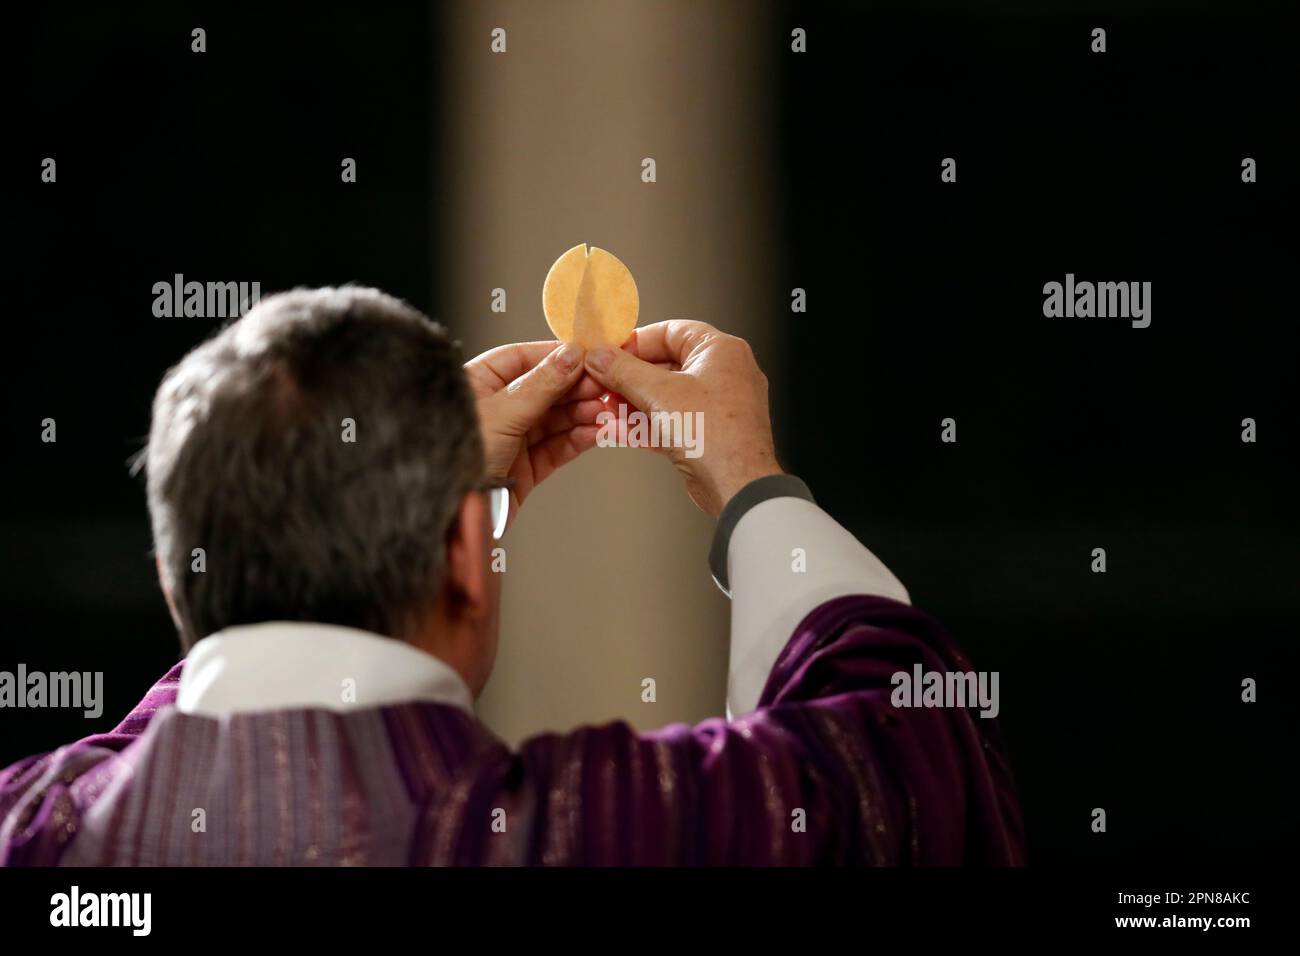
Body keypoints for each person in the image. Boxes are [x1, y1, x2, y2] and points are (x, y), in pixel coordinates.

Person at [0, 287, 1023, 865]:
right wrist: (752, 486)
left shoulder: (30, 827)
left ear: (180, 578)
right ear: (463, 555)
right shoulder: (620, 831)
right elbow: (907, 758)